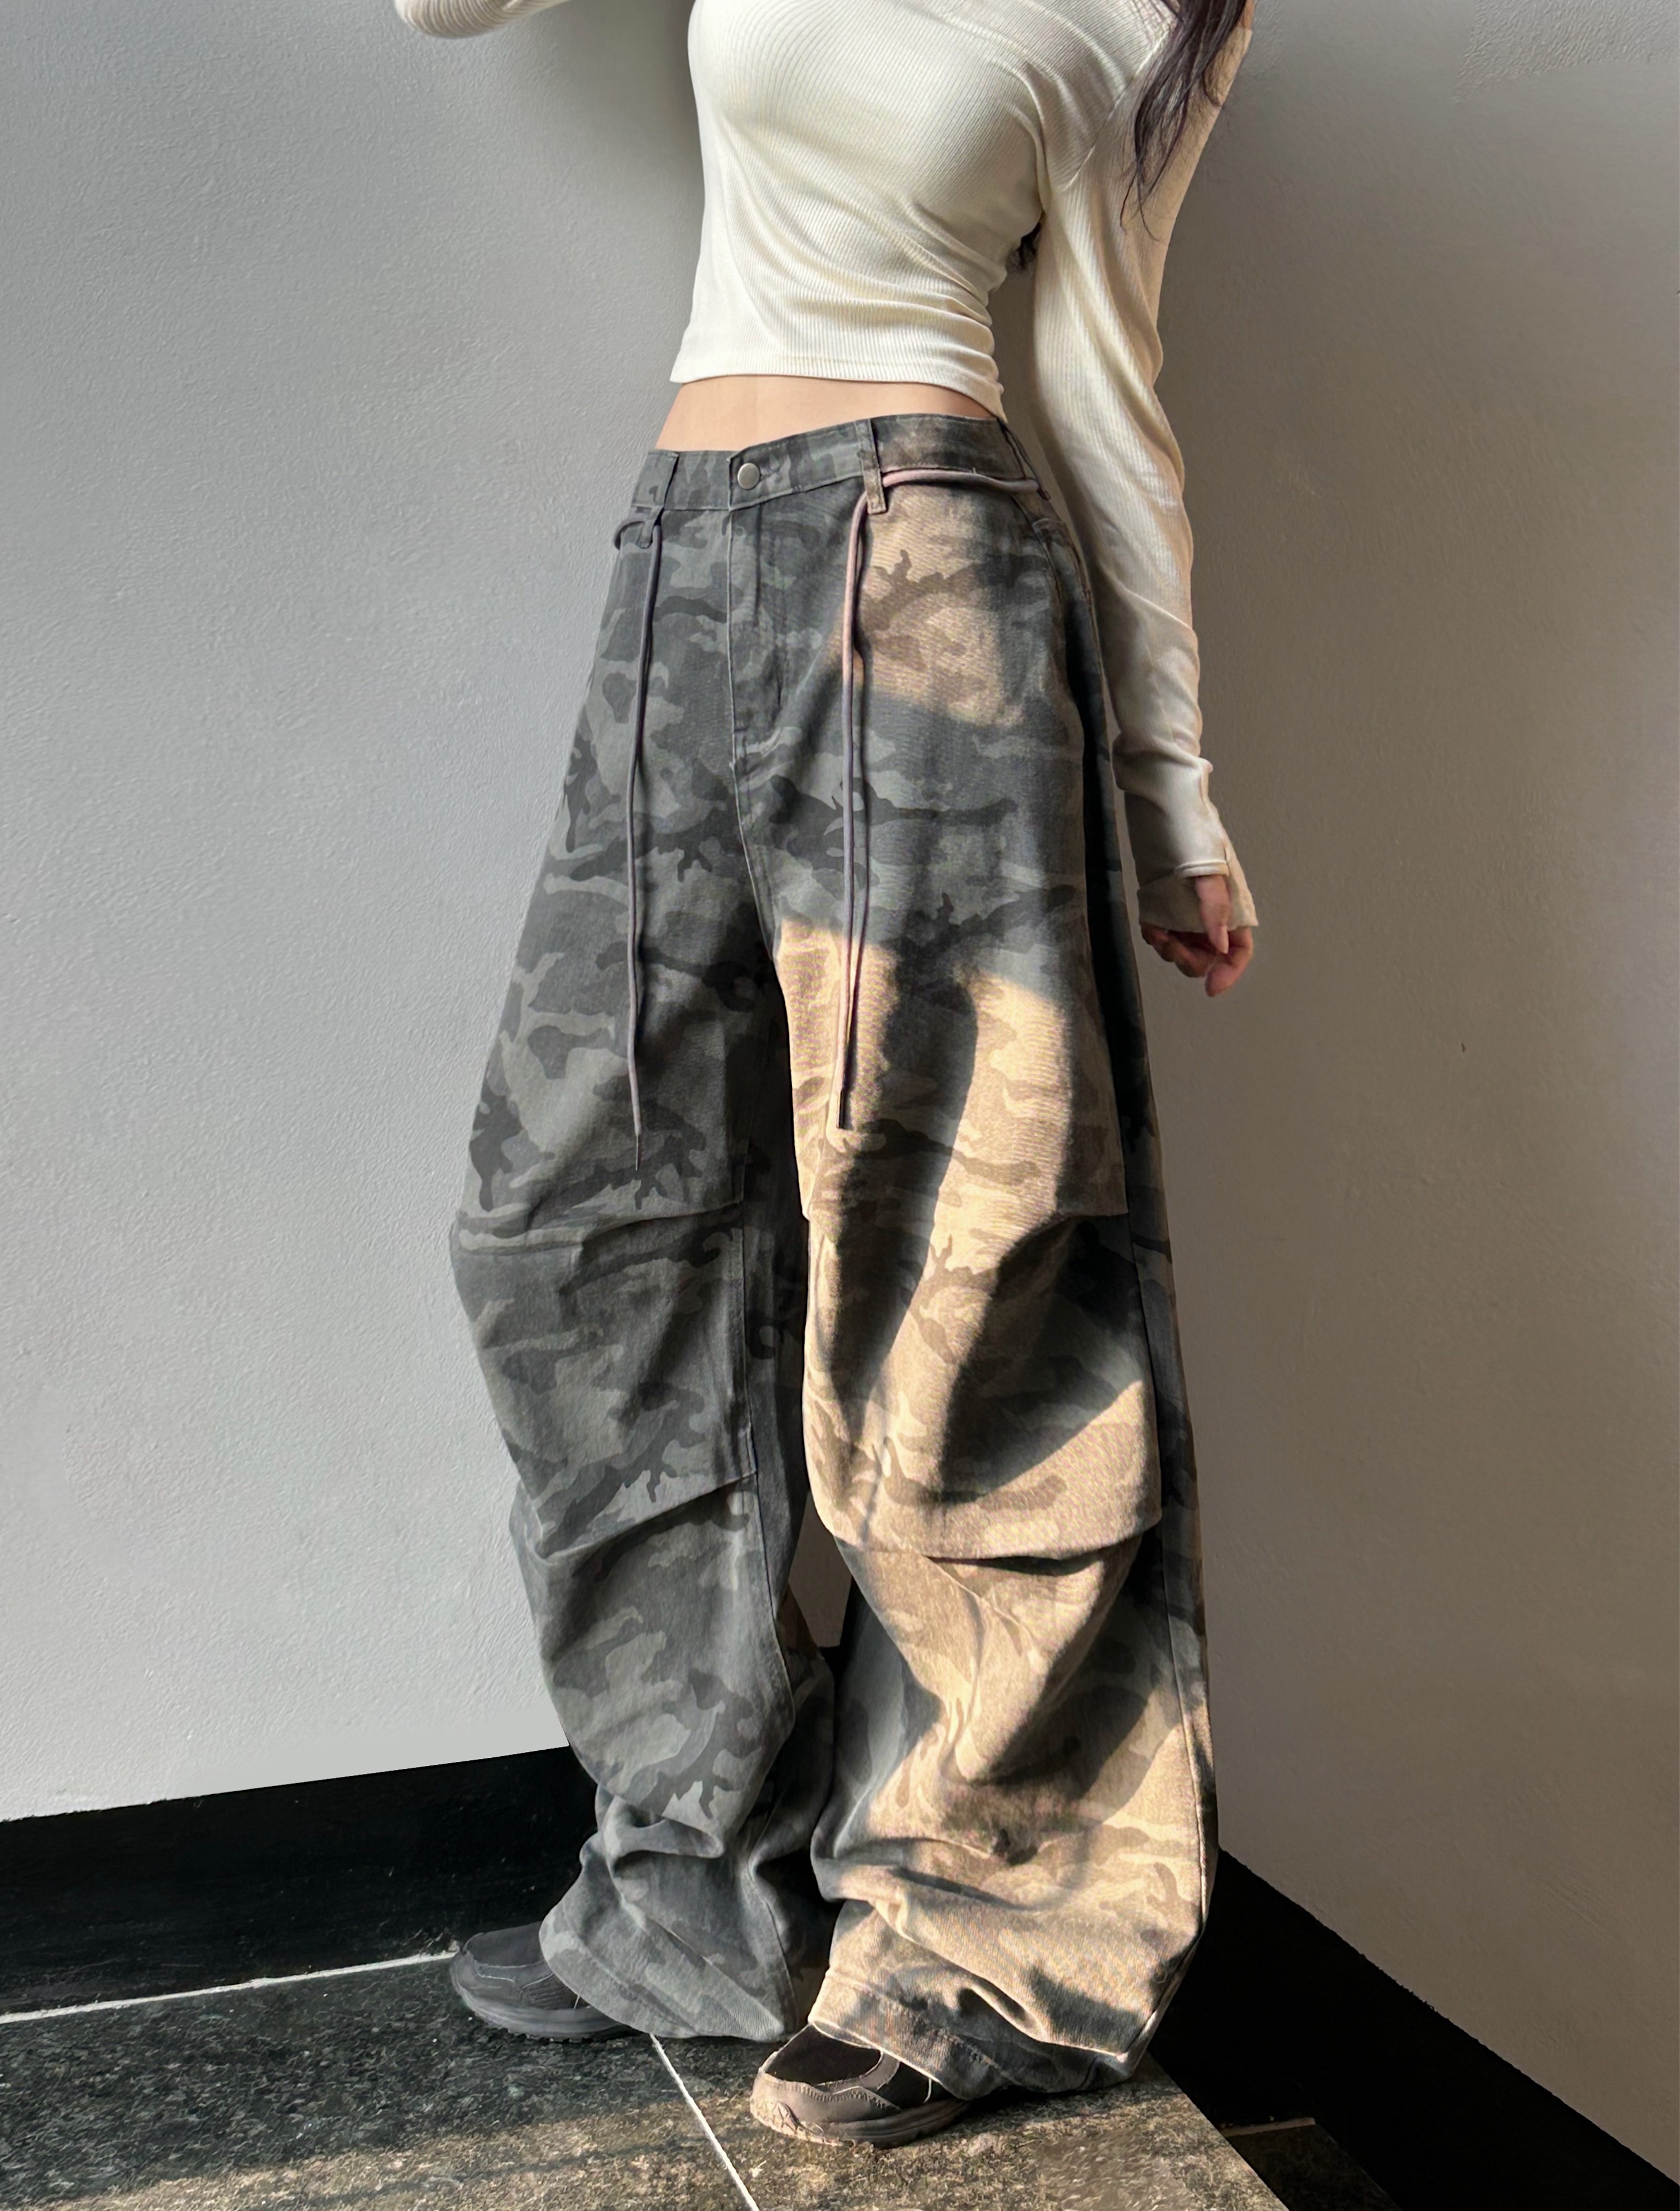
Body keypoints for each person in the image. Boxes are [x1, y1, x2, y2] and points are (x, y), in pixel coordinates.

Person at [395, 0, 1258, 2149]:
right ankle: (695, 1884)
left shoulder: (1157, 9)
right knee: (574, 1234)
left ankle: (989, 1944)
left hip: (937, 570)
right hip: (680, 563)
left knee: (965, 1261)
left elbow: (1102, 382)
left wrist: (1173, 787)